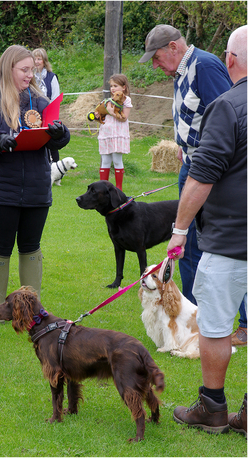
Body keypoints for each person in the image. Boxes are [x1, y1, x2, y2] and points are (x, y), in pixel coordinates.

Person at [166, 25, 247, 437]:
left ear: (230, 60)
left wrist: (180, 230)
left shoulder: (229, 105)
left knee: (214, 325)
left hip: (233, 238)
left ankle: (213, 408)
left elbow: (202, 175)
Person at [139, 25, 232, 305]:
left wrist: (205, 154)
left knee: (223, 245)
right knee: (187, 245)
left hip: (210, 170)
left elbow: (229, 117)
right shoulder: (181, 71)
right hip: (190, 164)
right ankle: (192, 314)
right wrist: (183, 145)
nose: (155, 66)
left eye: (156, 58)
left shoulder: (204, 66)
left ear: (173, 48)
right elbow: (196, 115)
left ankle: (245, 323)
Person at [0, 45, 70, 323]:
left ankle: (31, 308)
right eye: (24, 70)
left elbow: (58, 139)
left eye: (32, 69)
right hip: (2, 188)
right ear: (9, 69)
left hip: (37, 187)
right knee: (1, 246)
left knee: (31, 246)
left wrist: (59, 133)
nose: (31, 74)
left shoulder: (40, 100)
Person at [95, 74, 132, 192]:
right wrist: (97, 116)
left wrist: (111, 112)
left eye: (115, 86)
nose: (112, 88)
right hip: (106, 134)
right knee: (105, 160)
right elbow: (102, 115)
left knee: (117, 160)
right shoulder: (107, 101)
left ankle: (118, 189)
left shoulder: (126, 100)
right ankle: (103, 188)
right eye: (111, 86)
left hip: (117, 134)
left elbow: (124, 117)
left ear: (124, 87)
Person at [33, 47, 60, 162]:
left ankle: (55, 167)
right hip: (33, 114)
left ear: (44, 61)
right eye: (34, 59)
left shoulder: (51, 77)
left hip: (48, 114)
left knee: (50, 142)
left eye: (39, 59)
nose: (36, 62)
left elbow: (55, 98)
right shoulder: (29, 77)